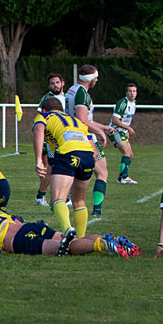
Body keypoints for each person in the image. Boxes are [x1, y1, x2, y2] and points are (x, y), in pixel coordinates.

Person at [0, 200, 140, 258]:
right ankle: (113, 239)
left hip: (19, 242)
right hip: (29, 226)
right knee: (70, 241)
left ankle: (102, 244)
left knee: (65, 250)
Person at [33, 98, 93, 238]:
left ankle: (67, 230)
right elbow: (92, 146)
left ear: (44, 110)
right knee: (79, 200)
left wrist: (38, 160)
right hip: (88, 156)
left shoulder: (44, 116)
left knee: (57, 199)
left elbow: (38, 129)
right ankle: (81, 238)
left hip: (67, 153)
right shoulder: (75, 120)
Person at [65, 64, 114, 217]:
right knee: (102, 172)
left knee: (75, 173)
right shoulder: (82, 94)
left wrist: (103, 126)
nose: (97, 80)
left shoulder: (72, 90)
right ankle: (96, 209)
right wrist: (99, 131)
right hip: (85, 138)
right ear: (90, 79)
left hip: (71, 137)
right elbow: (82, 120)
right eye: (96, 77)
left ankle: (67, 201)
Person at [35, 73, 65, 207]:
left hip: (64, 138)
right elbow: (40, 120)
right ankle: (45, 195)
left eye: (57, 83)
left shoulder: (67, 97)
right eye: (52, 83)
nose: (55, 85)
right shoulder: (46, 99)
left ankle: (43, 194)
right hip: (51, 139)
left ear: (62, 83)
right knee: (54, 167)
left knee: (59, 167)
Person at [109, 83, 138, 184]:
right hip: (115, 130)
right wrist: (128, 128)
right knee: (126, 152)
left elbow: (127, 119)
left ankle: (121, 177)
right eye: (130, 91)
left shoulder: (134, 104)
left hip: (122, 131)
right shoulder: (123, 103)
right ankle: (124, 177)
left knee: (130, 155)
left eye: (134, 91)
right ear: (126, 93)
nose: (132, 93)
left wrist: (126, 131)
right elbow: (115, 120)